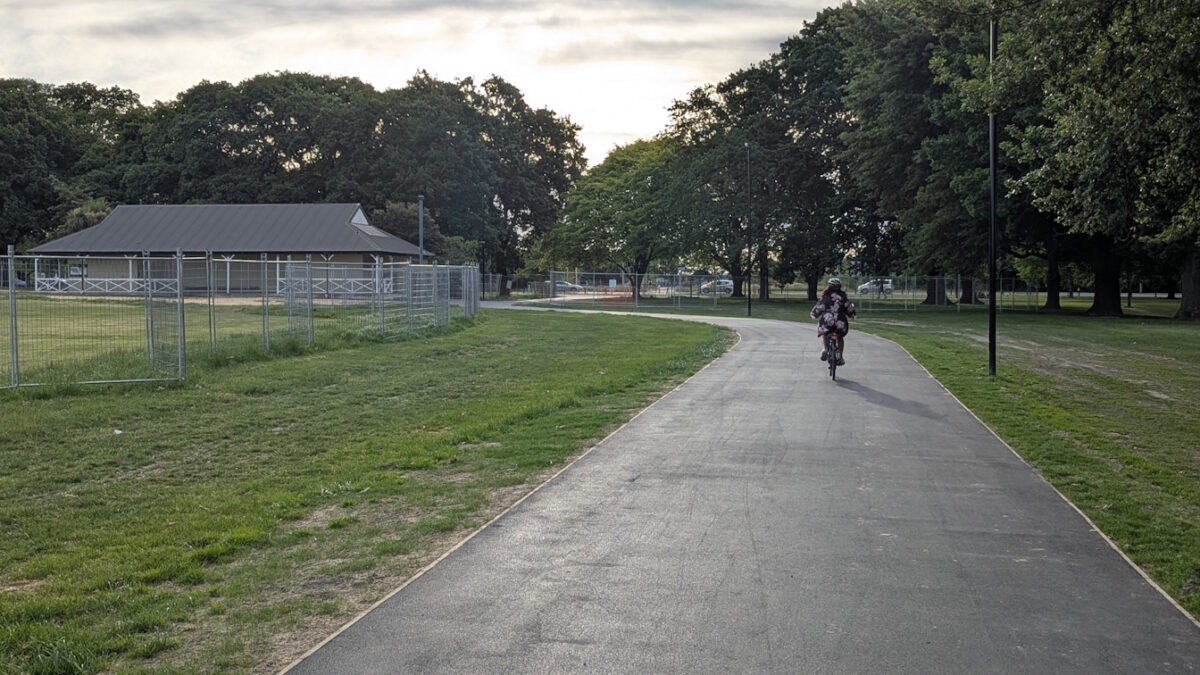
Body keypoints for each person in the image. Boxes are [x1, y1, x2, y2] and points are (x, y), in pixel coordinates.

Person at [810, 278, 856, 365]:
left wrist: (814, 315)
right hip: (840, 322)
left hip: (827, 321)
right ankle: (841, 357)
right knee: (840, 338)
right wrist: (851, 315)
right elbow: (849, 309)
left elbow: (819, 308)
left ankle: (825, 349)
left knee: (824, 334)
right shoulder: (843, 298)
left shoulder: (825, 297)